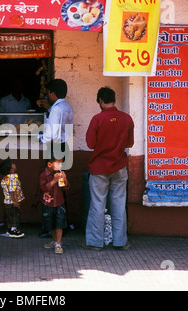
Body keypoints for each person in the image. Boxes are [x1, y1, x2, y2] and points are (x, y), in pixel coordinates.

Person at [84, 87, 134, 251]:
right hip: (119, 166)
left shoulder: (97, 119)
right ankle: (120, 242)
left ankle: (95, 242)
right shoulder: (127, 118)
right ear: (114, 99)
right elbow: (130, 144)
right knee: (119, 204)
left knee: (98, 205)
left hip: (99, 168)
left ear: (100, 101)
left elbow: (90, 144)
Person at [38, 79, 74, 169]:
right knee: (61, 174)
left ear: (52, 94)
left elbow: (51, 133)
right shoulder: (67, 106)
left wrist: (41, 138)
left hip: (55, 147)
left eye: (48, 93)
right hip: (64, 145)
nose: (48, 96)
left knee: (52, 174)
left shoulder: (56, 109)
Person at [40, 156, 70, 254]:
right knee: (51, 223)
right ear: (49, 164)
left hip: (59, 202)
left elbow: (65, 188)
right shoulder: (44, 175)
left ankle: (58, 243)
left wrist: (64, 180)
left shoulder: (60, 173)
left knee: (59, 223)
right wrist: (53, 181)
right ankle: (54, 241)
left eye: (61, 163)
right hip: (48, 203)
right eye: (58, 163)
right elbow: (44, 188)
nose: (60, 166)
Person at [0, 159, 25, 238]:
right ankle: (14, 230)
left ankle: (9, 229)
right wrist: (15, 201)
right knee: (14, 216)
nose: (15, 164)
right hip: (11, 202)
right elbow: (12, 190)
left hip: (7, 201)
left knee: (9, 216)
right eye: (13, 164)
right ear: (11, 169)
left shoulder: (5, 178)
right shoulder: (12, 178)